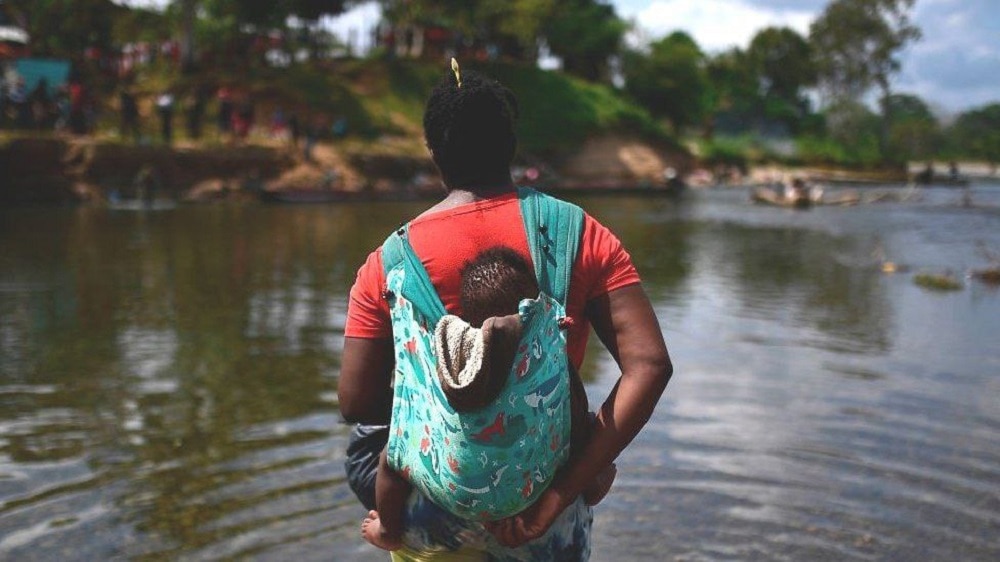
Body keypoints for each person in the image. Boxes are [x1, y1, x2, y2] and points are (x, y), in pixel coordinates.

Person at [339, 61, 672, 559]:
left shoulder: (387, 265)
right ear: (511, 146)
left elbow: (356, 403)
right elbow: (650, 365)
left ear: (434, 153)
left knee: (372, 439)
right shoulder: (580, 235)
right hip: (545, 499)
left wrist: (454, 408)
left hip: (435, 506)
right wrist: (566, 488)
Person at [360, 247, 617, 552]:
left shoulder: (451, 360)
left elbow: (363, 405)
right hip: (531, 504)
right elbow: (571, 423)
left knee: (393, 457)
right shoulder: (546, 362)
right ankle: (595, 483)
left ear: (468, 318)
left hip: (451, 506)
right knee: (584, 429)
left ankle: (388, 531)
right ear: (533, 311)